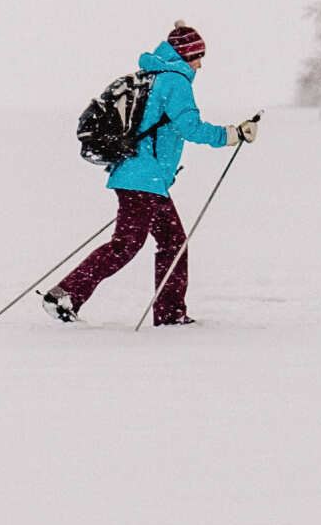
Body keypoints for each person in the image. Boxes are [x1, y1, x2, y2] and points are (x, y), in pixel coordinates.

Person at [43, 21, 259, 326]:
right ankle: (65, 294)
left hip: (145, 179)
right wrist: (232, 134)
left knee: (173, 242)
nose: (199, 64)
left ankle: (170, 314)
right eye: (197, 57)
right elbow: (191, 128)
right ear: (184, 55)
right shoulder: (175, 81)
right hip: (142, 180)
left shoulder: (153, 75)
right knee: (127, 245)